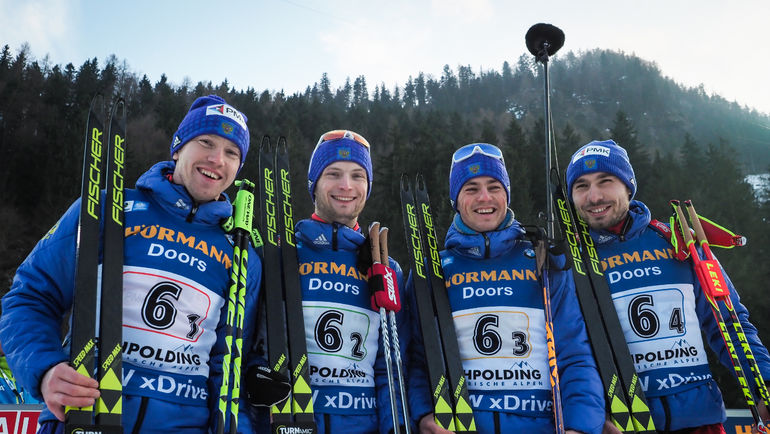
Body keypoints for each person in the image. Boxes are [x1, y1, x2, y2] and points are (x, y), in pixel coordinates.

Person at [0, 95, 270, 433]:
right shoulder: (107, 209)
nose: (217, 159)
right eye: (206, 142)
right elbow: (29, 297)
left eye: (232, 153)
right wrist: (45, 369)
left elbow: (231, 367)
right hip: (84, 417)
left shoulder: (241, 255)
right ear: (178, 148)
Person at [565, 139, 770, 433]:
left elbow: (728, 323)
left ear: (628, 185)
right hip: (622, 422)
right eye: (581, 186)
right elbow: (567, 354)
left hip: (699, 421)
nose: (593, 196)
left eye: (605, 181)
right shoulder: (568, 261)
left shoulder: (676, 242)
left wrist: (764, 382)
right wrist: (587, 418)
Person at [409, 143, 605, 434]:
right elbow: (416, 359)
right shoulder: (433, 270)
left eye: (494, 187)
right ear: (456, 199)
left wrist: (580, 426)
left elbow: (574, 356)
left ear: (507, 194)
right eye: (471, 188)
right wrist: (423, 415)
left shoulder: (544, 261)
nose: (484, 197)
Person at [292, 129, 408, 433]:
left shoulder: (386, 268)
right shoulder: (282, 255)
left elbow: (390, 371)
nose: (346, 186)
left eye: (358, 176)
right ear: (314, 183)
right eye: (333, 174)